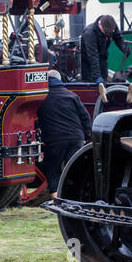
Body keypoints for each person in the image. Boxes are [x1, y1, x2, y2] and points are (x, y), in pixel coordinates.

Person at [37, 70, 92, 199]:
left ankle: (57, 201)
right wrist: (84, 136)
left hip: (54, 140)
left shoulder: (41, 98)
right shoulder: (72, 95)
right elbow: (85, 118)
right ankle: (74, 199)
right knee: (73, 170)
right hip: (76, 137)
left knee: (53, 171)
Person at [80, 14, 132, 103]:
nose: (108, 34)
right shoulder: (90, 34)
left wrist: (123, 47)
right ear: (100, 25)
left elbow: (118, 37)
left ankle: (108, 101)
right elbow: (93, 57)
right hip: (89, 65)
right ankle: (97, 103)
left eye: (110, 33)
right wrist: (97, 78)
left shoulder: (112, 25)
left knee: (104, 81)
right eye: (106, 33)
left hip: (103, 60)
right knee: (94, 88)